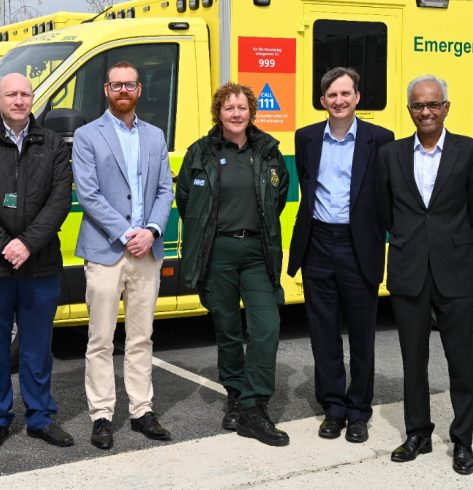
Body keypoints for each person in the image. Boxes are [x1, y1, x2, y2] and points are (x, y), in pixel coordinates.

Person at [0, 72, 74, 451]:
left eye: (25, 94)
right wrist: (7, 245)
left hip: (40, 266)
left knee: (38, 347)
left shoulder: (52, 145)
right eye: (11, 94)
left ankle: (40, 418)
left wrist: (27, 244)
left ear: (32, 98)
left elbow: (59, 201)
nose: (19, 100)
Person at [376, 75, 473, 475]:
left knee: (461, 362)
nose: (425, 112)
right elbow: (385, 211)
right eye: (418, 106)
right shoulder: (390, 155)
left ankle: (463, 441)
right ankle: (418, 434)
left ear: (446, 107)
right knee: (413, 361)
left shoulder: (472, 152)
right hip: (409, 271)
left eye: (433, 105)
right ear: (410, 110)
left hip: (455, 272)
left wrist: (452, 246)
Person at [176, 82, 291, 446]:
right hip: (218, 253)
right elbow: (186, 201)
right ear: (219, 113)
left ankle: (255, 406)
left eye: (242, 107)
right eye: (229, 108)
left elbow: (279, 198)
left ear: (251, 112)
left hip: (257, 253)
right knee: (227, 331)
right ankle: (236, 399)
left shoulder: (269, 151)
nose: (236, 114)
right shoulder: (200, 153)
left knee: (266, 326)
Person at [72, 60, 174, 450]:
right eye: (116, 85)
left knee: (141, 337)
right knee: (100, 338)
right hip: (104, 250)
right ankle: (101, 415)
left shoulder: (154, 135)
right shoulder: (86, 135)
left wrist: (150, 232)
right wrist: (126, 232)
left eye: (129, 85)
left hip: (146, 251)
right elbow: (88, 193)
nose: (123, 91)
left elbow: (165, 190)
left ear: (139, 90)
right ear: (106, 90)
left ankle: (141, 410)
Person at [288, 66, 394, 443]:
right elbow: (306, 184)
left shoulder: (380, 139)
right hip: (318, 242)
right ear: (323, 100)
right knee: (323, 332)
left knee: (362, 334)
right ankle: (333, 407)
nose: (339, 101)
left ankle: (359, 411)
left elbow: (386, 193)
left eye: (345, 94)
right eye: (332, 95)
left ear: (357, 98)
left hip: (358, 245)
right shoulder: (307, 138)